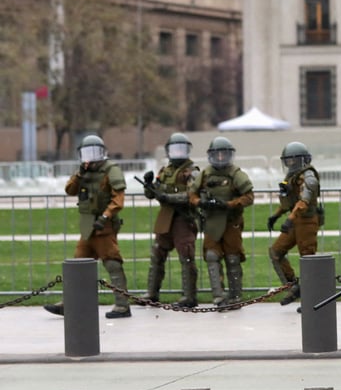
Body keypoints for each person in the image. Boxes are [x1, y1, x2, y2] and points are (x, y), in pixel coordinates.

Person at [43, 134, 132, 319]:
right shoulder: (82, 172)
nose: (90, 157)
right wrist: (79, 175)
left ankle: (122, 305)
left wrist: (106, 215)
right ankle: (70, 304)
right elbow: (69, 190)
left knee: (112, 263)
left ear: (103, 153)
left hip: (104, 227)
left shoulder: (111, 170)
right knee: (78, 265)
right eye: (86, 153)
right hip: (87, 227)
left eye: (95, 152)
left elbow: (118, 199)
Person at [189, 136, 254, 307]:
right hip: (211, 222)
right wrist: (200, 202)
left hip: (231, 222)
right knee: (211, 256)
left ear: (229, 155)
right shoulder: (205, 173)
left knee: (233, 259)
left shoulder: (236, 174)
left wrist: (229, 204)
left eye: (223, 154)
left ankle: (235, 296)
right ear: (211, 155)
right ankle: (218, 296)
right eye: (217, 154)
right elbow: (192, 194)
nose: (220, 158)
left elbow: (249, 197)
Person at [142, 133, 200, 308]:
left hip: (183, 218)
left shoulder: (193, 171)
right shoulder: (164, 171)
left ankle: (189, 296)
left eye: (182, 149)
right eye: (175, 149)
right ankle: (152, 293)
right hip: (166, 218)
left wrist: (169, 198)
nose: (178, 153)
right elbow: (152, 194)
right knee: (157, 253)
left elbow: (192, 194)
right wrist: (149, 185)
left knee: (186, 256)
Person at [267, 141, 322, 306]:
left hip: (306, 221)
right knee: (276, 252)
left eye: (294, 160)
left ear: (302, 160)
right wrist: (275, 216)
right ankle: (294, 286)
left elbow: (303, 201)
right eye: (288, 160)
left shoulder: (309, 177)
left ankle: (312, 300)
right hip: (295, 219)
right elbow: (289, 202)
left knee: (308, 260)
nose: (290, 163)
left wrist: (289, 219)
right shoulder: (291, 177)